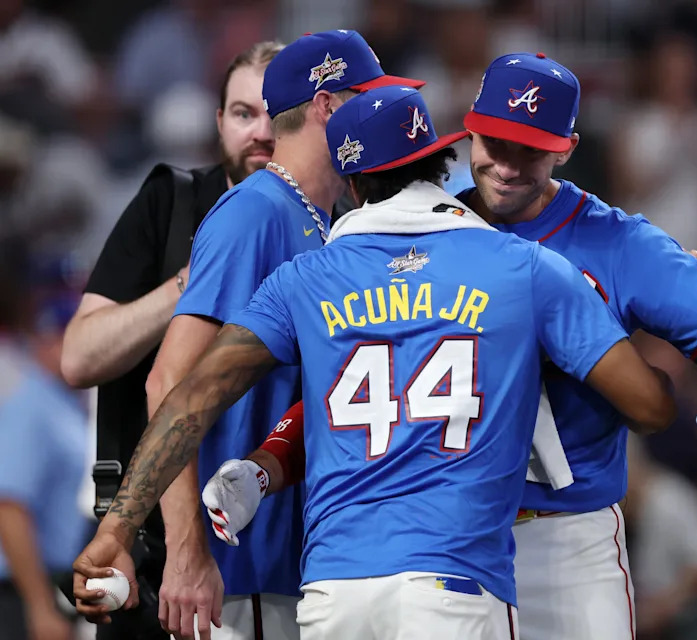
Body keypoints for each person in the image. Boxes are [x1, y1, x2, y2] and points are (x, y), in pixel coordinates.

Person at [203, 52, 697, 640]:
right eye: (494, 142)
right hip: (444, 548)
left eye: (531, 149)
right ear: (468, 132)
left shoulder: (618, 242)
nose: (508, 166)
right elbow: (365, 389)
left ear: (566, 148)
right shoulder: (418, 232)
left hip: (566, 542)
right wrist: (266, 466)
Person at [72, 84, 676, 640]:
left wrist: (118, 529)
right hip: (455, 584)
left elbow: (187, 400)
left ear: (353, 184)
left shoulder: (304, 280)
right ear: (443, 164)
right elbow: (648, 409)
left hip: (335, 592)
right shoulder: (522, 267)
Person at [142, 30, 425, 640]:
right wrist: (187, 550)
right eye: (365, 98)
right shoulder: (255, 212)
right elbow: (168, 379)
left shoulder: (325, 218)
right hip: (242, 570)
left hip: (303, 560)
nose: (379, 113)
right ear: (327, 106)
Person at [58, 39, 283, 640]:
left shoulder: (331, 220)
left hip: (285, 546)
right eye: (242, 113)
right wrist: (197, 280)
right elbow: (80, 357)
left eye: (275, 114)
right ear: (218, 123)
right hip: (152, 549)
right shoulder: (173, 202)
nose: (260, 133)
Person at [0, 242, 89, 640]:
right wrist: (38, 605)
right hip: (20, 594)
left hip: (55, 584)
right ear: (48, 338)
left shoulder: (64, 401)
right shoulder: (31, 404)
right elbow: (10, 507)